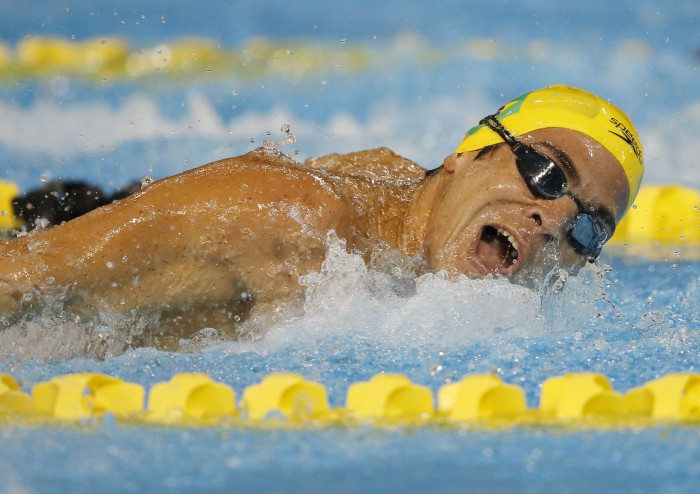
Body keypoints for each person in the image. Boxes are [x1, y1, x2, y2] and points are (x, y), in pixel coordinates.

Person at [0, 85, 644, 349]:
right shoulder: (293, 222)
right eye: (547, 172)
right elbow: (17, 279)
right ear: (464, 155)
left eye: (590, 227)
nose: (554, 217)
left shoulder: (401, 194)